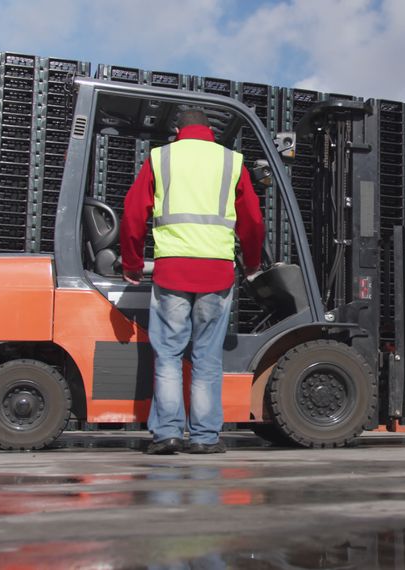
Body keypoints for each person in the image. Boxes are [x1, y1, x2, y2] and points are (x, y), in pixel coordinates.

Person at [120, 108, 264, 455]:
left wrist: (132, 263)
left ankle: (168, 434)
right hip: (216, 273)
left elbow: (132, 214)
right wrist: (252, 264)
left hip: (172, 272)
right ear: (209, 129)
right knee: (207, 357)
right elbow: (253, 221)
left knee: (168, 354)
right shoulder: (231, 161)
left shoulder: (161, 158)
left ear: (177, 129)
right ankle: (204, 437)